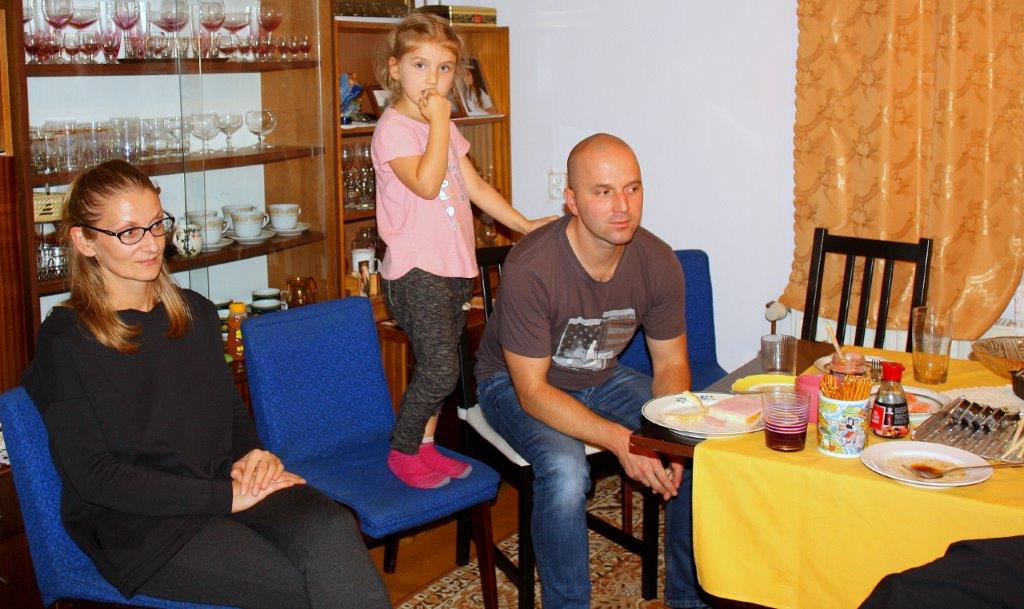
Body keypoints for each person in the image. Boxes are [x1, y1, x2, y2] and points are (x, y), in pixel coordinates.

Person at [21, 160, 391, 609]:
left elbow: (229, 413)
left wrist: (253, 454)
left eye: (157, 224)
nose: (152, 243)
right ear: (85, 241)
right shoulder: (67, 339)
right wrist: (224, 497)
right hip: (144, 526)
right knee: (298, 584)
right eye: (129, 232)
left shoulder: (192, 311)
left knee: (333, 530)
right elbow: (96, 477)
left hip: (223, 483)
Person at [473, 133, 709, 609]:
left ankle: (688, 600)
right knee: (565, 472)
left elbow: (671, 362)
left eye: (632, 188)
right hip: (512, 384)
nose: (622, 206)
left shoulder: (658, 260)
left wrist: (668, 432)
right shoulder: (531, 266)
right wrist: (622, 440)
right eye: (603, 192)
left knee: (696, 446)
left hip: (599, 376)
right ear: (572, 201)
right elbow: (533, 392)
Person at [371, 13, 555, 489]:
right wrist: (438, 121)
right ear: (394, 69)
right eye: (420, 65)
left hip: (453, 267)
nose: (433, 79)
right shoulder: (394, 129)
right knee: (439, 371)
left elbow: (473, 186)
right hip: (416, 271)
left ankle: (426, 447)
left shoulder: (443, 129)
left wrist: (524, 225)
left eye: (444, 68)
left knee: (443, 371)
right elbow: (427, 183)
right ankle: (403, 450)